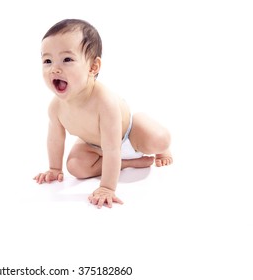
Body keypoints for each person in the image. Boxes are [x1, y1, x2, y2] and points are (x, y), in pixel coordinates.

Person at [33, 19, 173, 208]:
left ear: (93, 67)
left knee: (159, 139)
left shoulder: (104, 102)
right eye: (47, 61)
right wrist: (54, 168)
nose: (54, 68)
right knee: (75, 166)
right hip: (94, 145)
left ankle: (155, 144)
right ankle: (127, 164)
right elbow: (55, 140)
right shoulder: (55, 108)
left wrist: (107, 187)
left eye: (67, 59)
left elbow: (113, 148)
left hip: (129, 134)